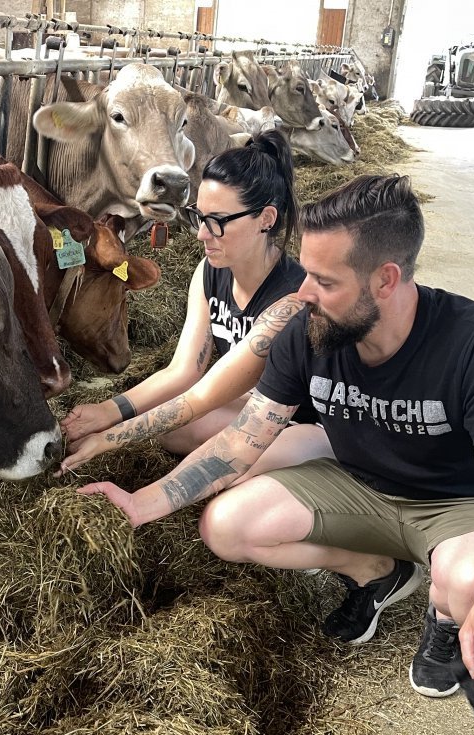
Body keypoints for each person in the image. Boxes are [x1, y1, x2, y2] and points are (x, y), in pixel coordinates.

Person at [78, 174, 474, 709]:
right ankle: (378, 572)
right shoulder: (307, 329)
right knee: (225, 526)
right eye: (306, 273)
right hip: (358, 487)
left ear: (386, 280)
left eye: (325, 281)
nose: (304, 293)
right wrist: (137, 504)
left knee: (473, 583)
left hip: (455, 505)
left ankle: (445, 614)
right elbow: (240, 442)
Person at [58, 129, 331, 478]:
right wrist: (108, 409)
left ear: (266, 219)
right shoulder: (210, 272)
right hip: (244, 404)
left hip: (299, 424)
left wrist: (111, 435)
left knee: (223, 460)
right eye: (200, 217)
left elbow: (203, 394)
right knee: (174, 431)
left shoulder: (291, 298)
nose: (202, 234)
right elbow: (184, 371)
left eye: (217, 222)